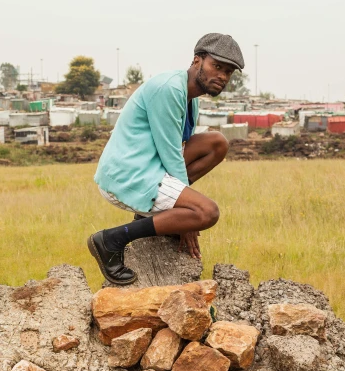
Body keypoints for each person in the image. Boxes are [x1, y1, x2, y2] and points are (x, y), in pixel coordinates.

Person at [87, 33, 245, 284]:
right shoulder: (169, 88)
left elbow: (181, 149)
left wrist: (182, 212)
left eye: (229, 72)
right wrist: (187, 215)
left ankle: (150, 217)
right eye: (217, 67)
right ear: (197, 61)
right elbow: (171, 153)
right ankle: (112, 239)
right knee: (207, 213)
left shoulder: (189, 99)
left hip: (150, 168)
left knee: (216, 143)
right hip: (128, 174)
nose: (223, 77)